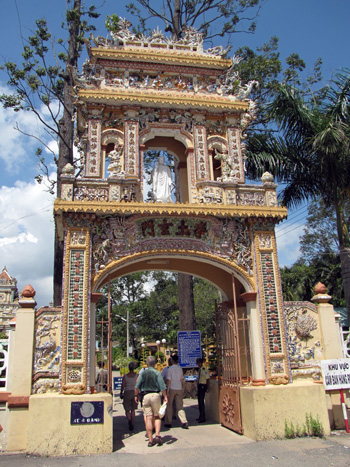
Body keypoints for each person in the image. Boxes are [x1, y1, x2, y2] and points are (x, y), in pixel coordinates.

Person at [135, 355, 167, 447]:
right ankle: (157, 435)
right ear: (155, 364)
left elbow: (137, 386)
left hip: (145, 396)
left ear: (147, 364)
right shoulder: (157, 373)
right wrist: (165, 396)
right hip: (155, 395)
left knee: (148, 417)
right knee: (157, 416)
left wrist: (136, 395)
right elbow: (162, 386)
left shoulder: (143, 374)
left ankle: (150, 440)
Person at [165, 355, 188, 429]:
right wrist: (182, 388)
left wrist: (167, 391)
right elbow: (182, 379)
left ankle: (168, 421)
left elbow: (169, 381)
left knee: (169, 405)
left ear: (172, 360)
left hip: (172, 388)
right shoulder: (180, 369)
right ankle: (184, 421)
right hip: (179, 388)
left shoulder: (170, 369)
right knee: (180, 406)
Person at [120, 361, 138, 431]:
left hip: (127, 392)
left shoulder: (125, 376)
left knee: (127, 409)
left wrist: (121, 392)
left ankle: (129, 421)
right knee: (133, 409)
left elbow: (123, 385)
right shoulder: (136, 376)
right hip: (134, 392)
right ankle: (132, 423)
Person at [196, 357, 210, 423]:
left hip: (203, 386)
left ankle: (203, 417)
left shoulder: (204, 370)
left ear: (201, 363)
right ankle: (200, 416)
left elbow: (207, 379)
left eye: (199, 363)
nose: (198, 364)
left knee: (201, 402)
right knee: (199, 402)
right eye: (197, 363)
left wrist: (207, 387)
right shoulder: (199, 370)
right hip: (199, 386)